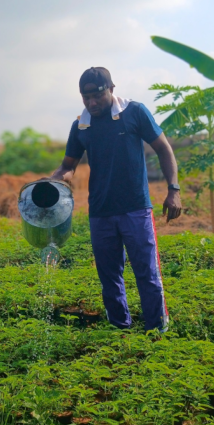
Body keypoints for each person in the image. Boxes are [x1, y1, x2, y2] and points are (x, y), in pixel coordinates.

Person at [51, 67, 182, 333]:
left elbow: (163, 148)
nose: (92, 102)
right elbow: (68, 165)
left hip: (135, 208)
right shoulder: (81, 125)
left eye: (96, 95)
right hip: (100, 212)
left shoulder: (134, 112)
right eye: (85, 97)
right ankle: (120, 329)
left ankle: (157, 328)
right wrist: (55, 179)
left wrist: (174, 189)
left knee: (147, 273)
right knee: (109, 276)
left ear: (111, 89)